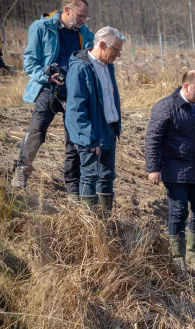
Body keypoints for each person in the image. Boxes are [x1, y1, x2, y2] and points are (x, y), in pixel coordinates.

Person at [11, 0, 93, 202]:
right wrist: (46, 76)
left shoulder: (86, 34)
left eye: (85, 17)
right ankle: (21, 170)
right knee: (37, 130)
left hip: (74, 93)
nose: (84, 20)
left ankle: (73, 189)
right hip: (48, 88)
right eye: (80, 16)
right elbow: (29, 62)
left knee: (73, 140)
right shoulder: (41, 27)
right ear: (67, 10)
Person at [145, 71, 195, 273]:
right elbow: (153, 138)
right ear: (186, 86)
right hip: (174, 169)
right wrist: (153, 168)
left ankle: (193, 256)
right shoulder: (166, 106)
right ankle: (178, 258)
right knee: (178, 212)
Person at [64, 26, 125, 217]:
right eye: (116, 50)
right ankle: (89, 224)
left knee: (107, 176)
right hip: (91, 132)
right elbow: (75, 109)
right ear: (101, 44)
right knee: (89, 176)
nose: (118, 55)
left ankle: (104, 221)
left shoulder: (108, 66)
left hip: (109, 128)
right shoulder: (80, 68)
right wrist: (88, 137)